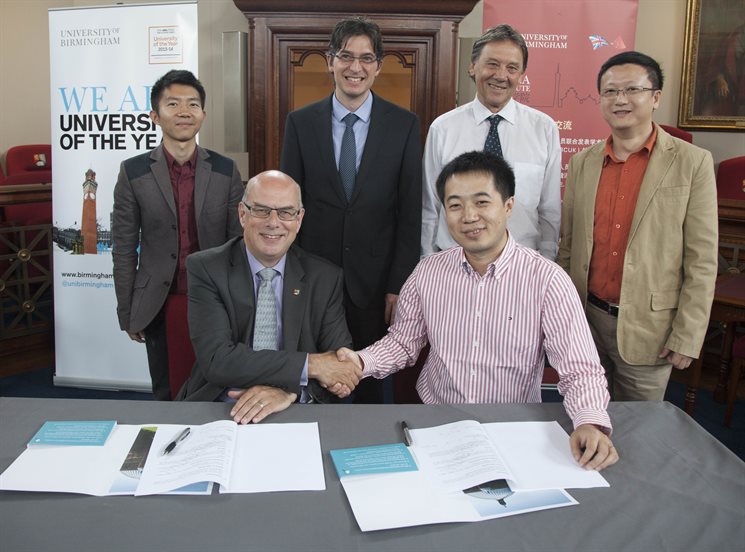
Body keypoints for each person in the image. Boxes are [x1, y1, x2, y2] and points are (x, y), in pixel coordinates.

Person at [338, 151, 617, 471]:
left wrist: (589, 422)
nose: (468, 216)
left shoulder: (547, 280)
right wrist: (360, 362)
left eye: (482, 202)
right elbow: (403, 343)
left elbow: (578, 367)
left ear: (508, 206)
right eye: (455, 205)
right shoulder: (428, 272)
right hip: (437, 423)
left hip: (513, 424)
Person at [556, 51, 718, 401]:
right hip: (586, 323)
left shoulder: (693, 163)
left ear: (655, 97)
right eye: (610, 91)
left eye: (632, 89)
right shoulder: (583, 163)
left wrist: (687, 335)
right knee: (585, 421)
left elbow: (702, 260)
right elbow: (568, 247)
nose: (620, 100)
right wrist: (564, 320)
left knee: (639, 436)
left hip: (650, 330)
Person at [280, 16, 422, 404]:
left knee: (368, 381)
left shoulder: (405, 125)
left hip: (375, 285)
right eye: (345, 56)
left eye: (365, 58)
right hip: (311, 278)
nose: (354, 67)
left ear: (378, 65)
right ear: (330, 61)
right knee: (315, 380)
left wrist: (399, 284)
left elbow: (410, 212)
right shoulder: (300, 123)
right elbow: (289, 207)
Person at [178, 170, 362, 424]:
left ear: (299, 220)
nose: (274, 222)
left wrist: (289, 391)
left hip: (293, 408)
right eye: (262, 210)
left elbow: (339, 363)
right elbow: (218, 360)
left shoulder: (325, 277)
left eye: (286, 212)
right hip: (222, 405)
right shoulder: (207, 268)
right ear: (242, 214)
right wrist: (310, 366)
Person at [112, 70, 243, 400]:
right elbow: (124, 247)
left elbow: (238, 243)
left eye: (193, 104)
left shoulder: (226, 170)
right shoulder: (134, 171)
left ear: (203, 114)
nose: (184, 111)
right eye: (173, 104)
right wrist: (128, 311)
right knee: (167, 390)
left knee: (218, 389)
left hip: (216, 299)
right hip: (160, 300)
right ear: (155, 115)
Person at [421, 24, 560, 260]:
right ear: (473, 66)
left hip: (522, 267)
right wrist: (426, 263)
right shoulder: (442, 128)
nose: (501, 75)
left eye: (512, 68)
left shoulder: (544, 128)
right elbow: (430, 209)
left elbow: (550, 212)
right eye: (492, 64)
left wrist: (546, 265)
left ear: (521, 75)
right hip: (453, 264)